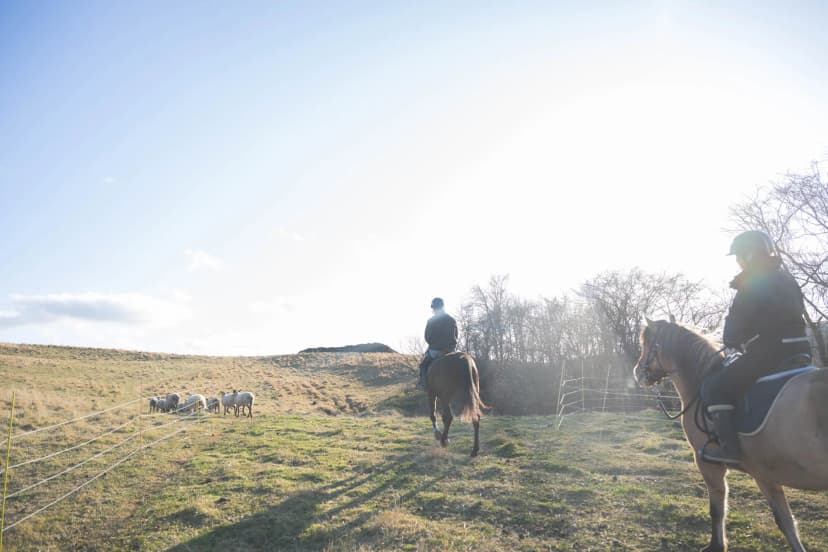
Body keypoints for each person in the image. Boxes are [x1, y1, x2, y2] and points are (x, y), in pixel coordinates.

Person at [701, 230, 811, 465]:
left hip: (769, 352)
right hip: (801, 349)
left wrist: (731, 340)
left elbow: (735, 327)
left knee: (714, 387)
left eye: (739, 256)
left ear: (749, 255)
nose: (739, 262)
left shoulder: (752, 282)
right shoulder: (786, 278)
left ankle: (729, 450)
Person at [416, 297, 459, 389]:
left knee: (423, 365)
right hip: (451, 349)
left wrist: (435, 344)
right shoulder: (452, 320)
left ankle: (423, 385)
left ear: (434, 308)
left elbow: (427, 338)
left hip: (436, 350)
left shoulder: (431, 321)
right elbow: (456, 335)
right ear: (443, 307)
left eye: (433, 308)